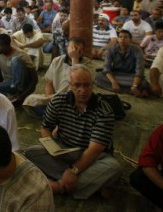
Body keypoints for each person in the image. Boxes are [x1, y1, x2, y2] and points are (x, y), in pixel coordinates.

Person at [25, 64, 122, 199]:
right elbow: (46, 128)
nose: (83, 90)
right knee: (31, 152)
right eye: (77, 85)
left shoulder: (103, 110)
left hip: (93, 156)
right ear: (69, 85)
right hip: (64, 150)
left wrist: (74, 170)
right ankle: (90, 183)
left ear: (92, 85)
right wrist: (52, 147)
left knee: (113, 167)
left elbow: (95, 149)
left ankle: (59, 186)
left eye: (87, 85)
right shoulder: (58, 100)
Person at [24, 37, 94, 118]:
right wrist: (51, 101)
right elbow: (49, 83)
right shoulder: (57, 61)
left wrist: (75, 59)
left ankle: (59, 116)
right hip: (57, 98)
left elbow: (78, 82)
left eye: (79, 51)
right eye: (73, 49)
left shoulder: (89, 65)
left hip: (76, 99)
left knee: (84, 109)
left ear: (83, 52)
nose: (76, 52)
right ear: (67, 48)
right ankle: (61, 116)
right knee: (30, 100)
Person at [95, 29, 150, 96]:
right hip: (116, 74)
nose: (122, 39)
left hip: (131, 76)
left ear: (130, 40)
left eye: (126, 37)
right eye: (120, 37)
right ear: (118, 39)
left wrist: (134, 85)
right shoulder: (111, 49)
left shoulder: (136, 50)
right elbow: (107, 68)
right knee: (99, 76)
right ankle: (134, 91)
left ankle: (132, 89)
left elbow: (140, 71)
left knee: (143, 82)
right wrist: (113, 82)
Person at [0, 34, 36, 102]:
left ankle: (17, 91)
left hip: (23, 85)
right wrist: (0, 85)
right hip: (8, 83)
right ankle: (12, 95)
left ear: (7, 45)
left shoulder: (22, 55)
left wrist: (23, 95)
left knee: (15, 60)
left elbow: (34, 79)